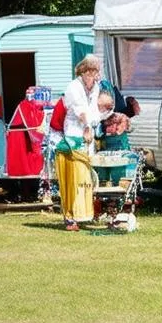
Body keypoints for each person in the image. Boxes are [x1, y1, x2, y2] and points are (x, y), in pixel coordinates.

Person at [50, 54, 103, 231]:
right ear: (88, 71)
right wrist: (87, 126)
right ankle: (70, 217)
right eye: (96, 71)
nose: (98, 75)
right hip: (71, 135)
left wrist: (94, 124)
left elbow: (94, 110)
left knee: (85, 178)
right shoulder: (73, 86)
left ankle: (84, 213)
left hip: (86, 138)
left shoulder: (95, 88)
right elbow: (79, 109)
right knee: (72, 178)